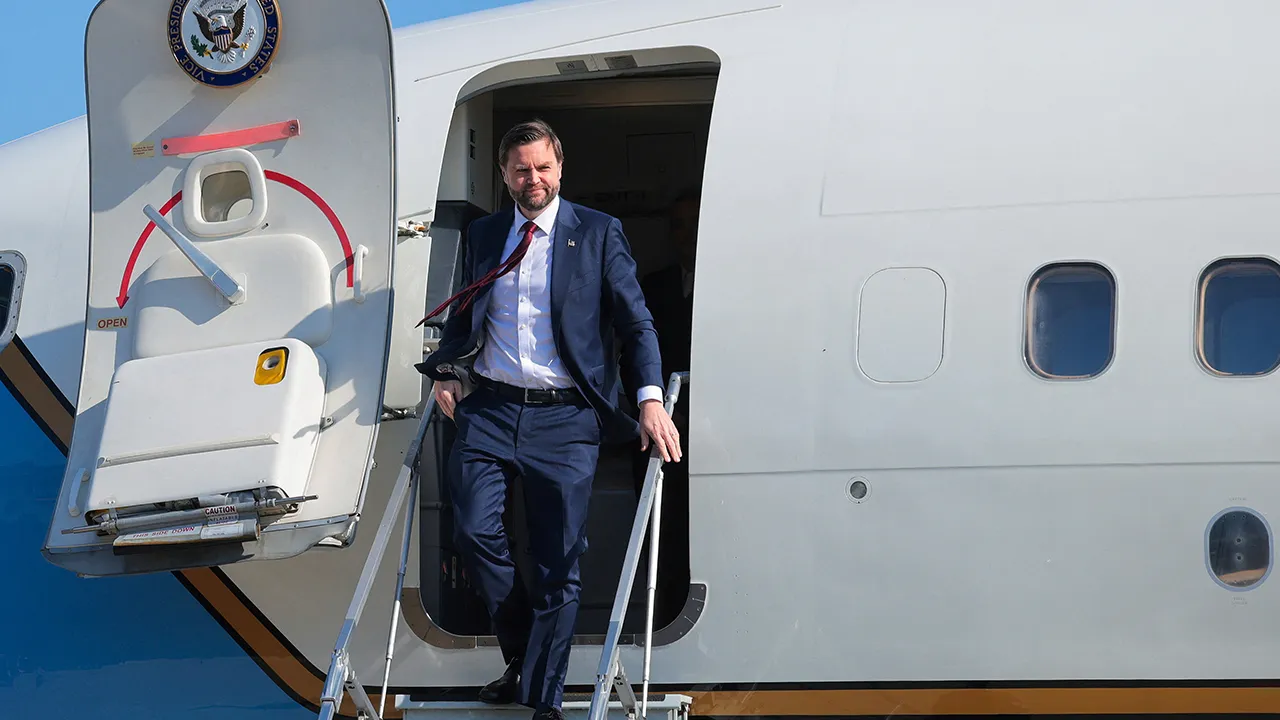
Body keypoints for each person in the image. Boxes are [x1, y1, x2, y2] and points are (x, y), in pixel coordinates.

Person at [415, 119, 681, 720]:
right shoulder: (484, 235)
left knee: (559, 559)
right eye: (519, 169)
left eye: (541, 168)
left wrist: (649, 397)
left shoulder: (596, 232)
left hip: (566, 419)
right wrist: (451, 372)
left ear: (559, 169)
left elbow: (636, 323)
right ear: (504, 175)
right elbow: (465, 317)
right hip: (492, 408)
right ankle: (524, 657)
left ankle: (543, 696)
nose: (531, 179)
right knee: (475, 534)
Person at [631, 188, 698, 629]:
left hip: (721, 430)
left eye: (691, 222)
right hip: (660, 425)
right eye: (676, 224)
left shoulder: (742, 292)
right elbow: (631, 353)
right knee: (661, 530)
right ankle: (664, 626)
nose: (685, 233)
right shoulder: (652, 288)